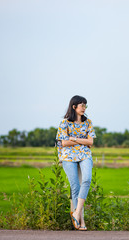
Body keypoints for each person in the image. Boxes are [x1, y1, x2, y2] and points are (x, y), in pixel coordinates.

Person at [56, 95, 96, 231]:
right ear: (74, 107)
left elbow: (91, 142)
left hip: (85, 155)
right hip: (68, 156)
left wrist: (73, 138)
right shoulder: (64, 123)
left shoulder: (88, 122)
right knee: (75, 187)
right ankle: (81, 220)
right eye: (82, 105)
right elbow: (63, 142)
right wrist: (81, 140)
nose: (84, 108)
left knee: (87, 180)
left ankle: (77, 212)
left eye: (85, 105)